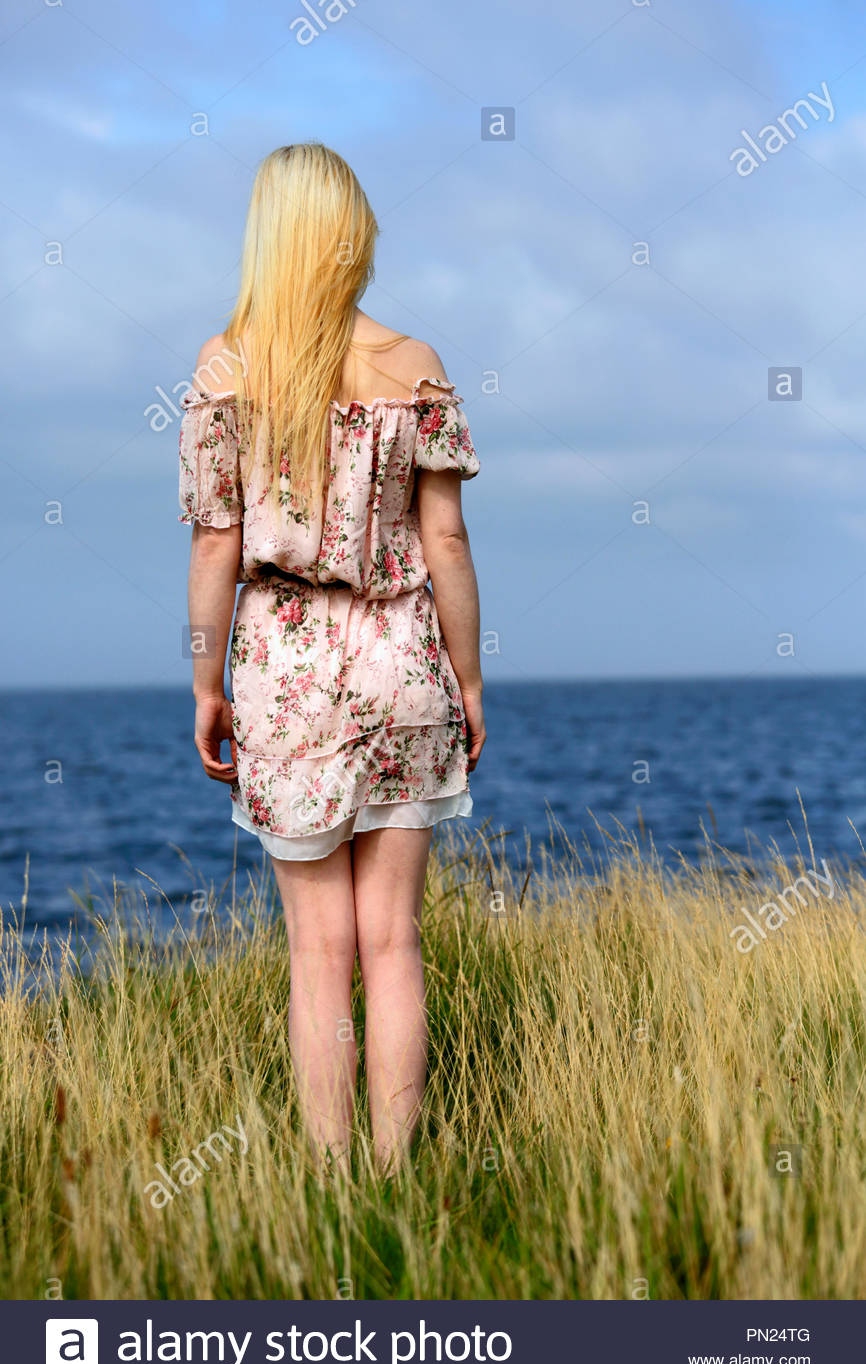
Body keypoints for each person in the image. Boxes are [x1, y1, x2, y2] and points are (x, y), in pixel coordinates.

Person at [177, 142, 485, 1178]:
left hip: (287, 666)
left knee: (319, 952)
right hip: (405, 657)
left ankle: (328, 1185)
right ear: (351, 235)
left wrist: (205, 684)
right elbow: (444, 543)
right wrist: (468, 679)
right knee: (391, 941)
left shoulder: (226, 369)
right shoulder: (417, 365)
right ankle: (397, 1181)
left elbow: (216, 542)